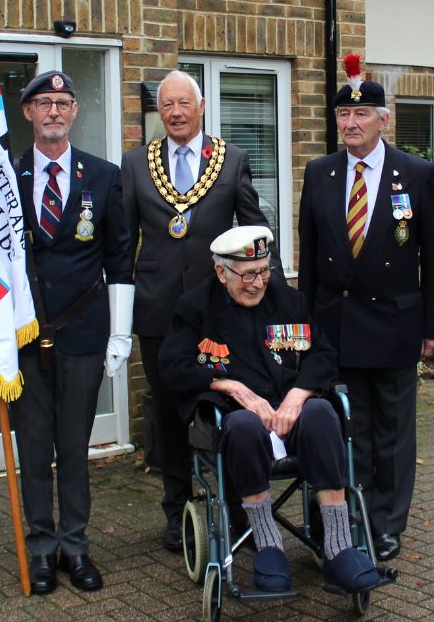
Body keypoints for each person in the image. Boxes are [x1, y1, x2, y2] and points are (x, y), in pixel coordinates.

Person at [159, 225, 381, 595]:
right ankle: (268, 545)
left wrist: (298, 396)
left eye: (264, 271)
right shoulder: (196, 307)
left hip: (292, 419)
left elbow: (323, 353)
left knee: (324, 413)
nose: (258, 283)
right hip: (238, 424)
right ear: (221, 272)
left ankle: (340, 547)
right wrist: (231, 386)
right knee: (243, 425)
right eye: (247, 274)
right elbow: (172, 366)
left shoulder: (288, 301)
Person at [121, 69, 281, 551]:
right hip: (159, 311)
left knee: (231, 407)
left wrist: (277, 298)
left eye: (183, 104)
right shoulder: (135, 164)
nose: (174, 112)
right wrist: (116, 316)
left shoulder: (231, 161)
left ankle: (240, 509)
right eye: (166, 104)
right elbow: (125, 241)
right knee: (169, 415)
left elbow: (255, 232)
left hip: (220, 310)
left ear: (201, 106)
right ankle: (176, 512)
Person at [298, 56, 434, 561]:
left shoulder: (417, 174)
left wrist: (431, 326)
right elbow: (310, 257)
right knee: (346, 429)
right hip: (337, 325)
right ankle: (350, 514)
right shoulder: (319, 173)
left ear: (384, 120)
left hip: (395, 324)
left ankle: (386, 522)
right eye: (344, 116)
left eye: (362, 116)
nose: (351, 124)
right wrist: (305, 327)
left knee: (392, 432)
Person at [12, 71, 134, 595]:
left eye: (63, 103)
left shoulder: (104, 177)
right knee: (34, 450)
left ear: (75, 112)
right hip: (22, 337)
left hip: (83, 333)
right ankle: (41, 548)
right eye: (44, 103)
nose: (54, 112)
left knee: (74, 447)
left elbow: (120, 258)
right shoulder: (3, 177)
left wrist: (120, 335)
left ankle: (76, 547)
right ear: (28, 114)